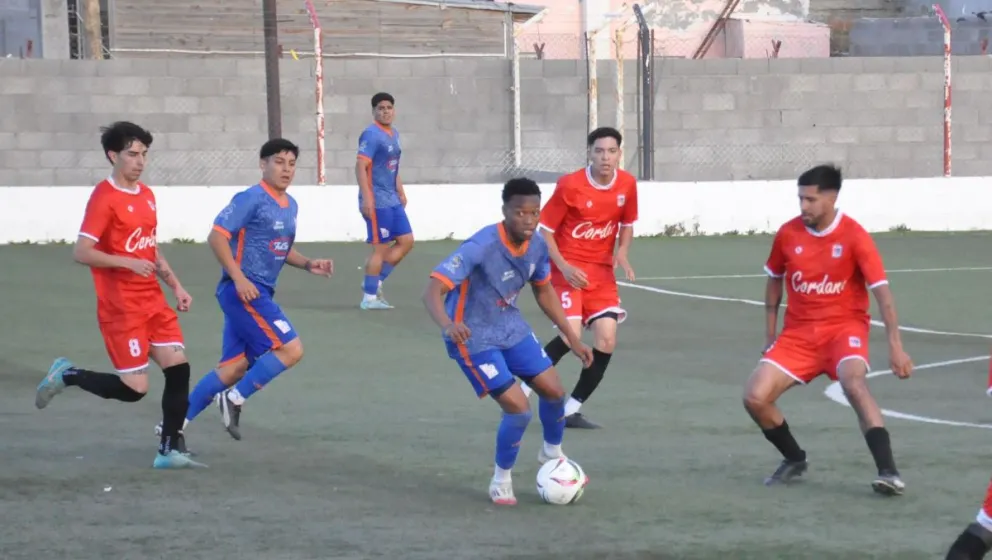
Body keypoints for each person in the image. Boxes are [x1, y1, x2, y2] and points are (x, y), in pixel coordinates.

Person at [34, 121, 203, 469]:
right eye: (132, 154)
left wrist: (176, 285)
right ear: (113, 155)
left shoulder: (147, 196)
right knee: (134, 390)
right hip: (121, 307)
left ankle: (168, 450)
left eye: (144, 154)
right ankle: (68, 375)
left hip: (152, 300)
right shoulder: (103, 198)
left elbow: (150, 249)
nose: (140, 161)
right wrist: (125, 262)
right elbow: (81, 251)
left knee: (179, 368)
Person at [742, 164, 913, 495]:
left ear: (832, 198)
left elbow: (883, 295)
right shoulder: (788, 234)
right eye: (800, 199)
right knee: (754, 396)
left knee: (853, 383)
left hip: (843, 331)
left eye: (810, 199)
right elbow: (774, 282)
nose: (803, 206)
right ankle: (794, 458)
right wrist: (769, 337)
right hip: (799, 336)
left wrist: (895, 346)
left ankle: (888, 472)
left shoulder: (854, 236)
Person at [422, 177, 595, 505]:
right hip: (472, 337)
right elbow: (432, 290)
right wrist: (447, 324)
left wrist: (572, 338)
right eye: (520, 213)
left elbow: (543, 290)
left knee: (555, 391)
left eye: (534, 213)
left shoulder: (539, 245)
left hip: (510, 327)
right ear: (504, 211)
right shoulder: (481, 246)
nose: (528, 220)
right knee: (519, 409)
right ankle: (501, 480)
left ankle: (552, 454)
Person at [174, 138, 333, 443]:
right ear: (263, 164)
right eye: (278, 162)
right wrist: (239, 278)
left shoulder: (291, 205)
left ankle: (173, 427)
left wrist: (308, 263)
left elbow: (277, 247)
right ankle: (233, 399)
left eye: (291, 163)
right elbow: (217, 237)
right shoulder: (250, 198)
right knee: (291, 348)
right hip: (244, 292)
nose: (286, 169)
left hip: (256, 293)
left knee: (233, 368)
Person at [520, 127, 638, 430]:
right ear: (589, 153)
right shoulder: (570, 185)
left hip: (601, 275)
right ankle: (522, 392)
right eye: (599, 151)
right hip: (566, 273)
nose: (605, 157)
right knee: (568, 335)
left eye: (611, 151)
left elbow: (627, 224)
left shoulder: (627, 184)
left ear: (619, 154)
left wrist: (622, 252)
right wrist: (563, 266)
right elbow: (545, 230)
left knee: (607, 338)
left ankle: (571, 409)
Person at [356, 92, 413, 310]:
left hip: (391, 198)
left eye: (389, 107)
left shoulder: (394, 133)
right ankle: (369, 298)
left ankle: (374, 281)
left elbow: (392, 166)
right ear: (374, 112)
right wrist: (367, 197)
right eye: (381, 108)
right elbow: (361, 166)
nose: (385, 111)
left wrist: (400, 189)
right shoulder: (371, 135)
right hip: (377, 200)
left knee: (406, 240)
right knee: (379, 249)